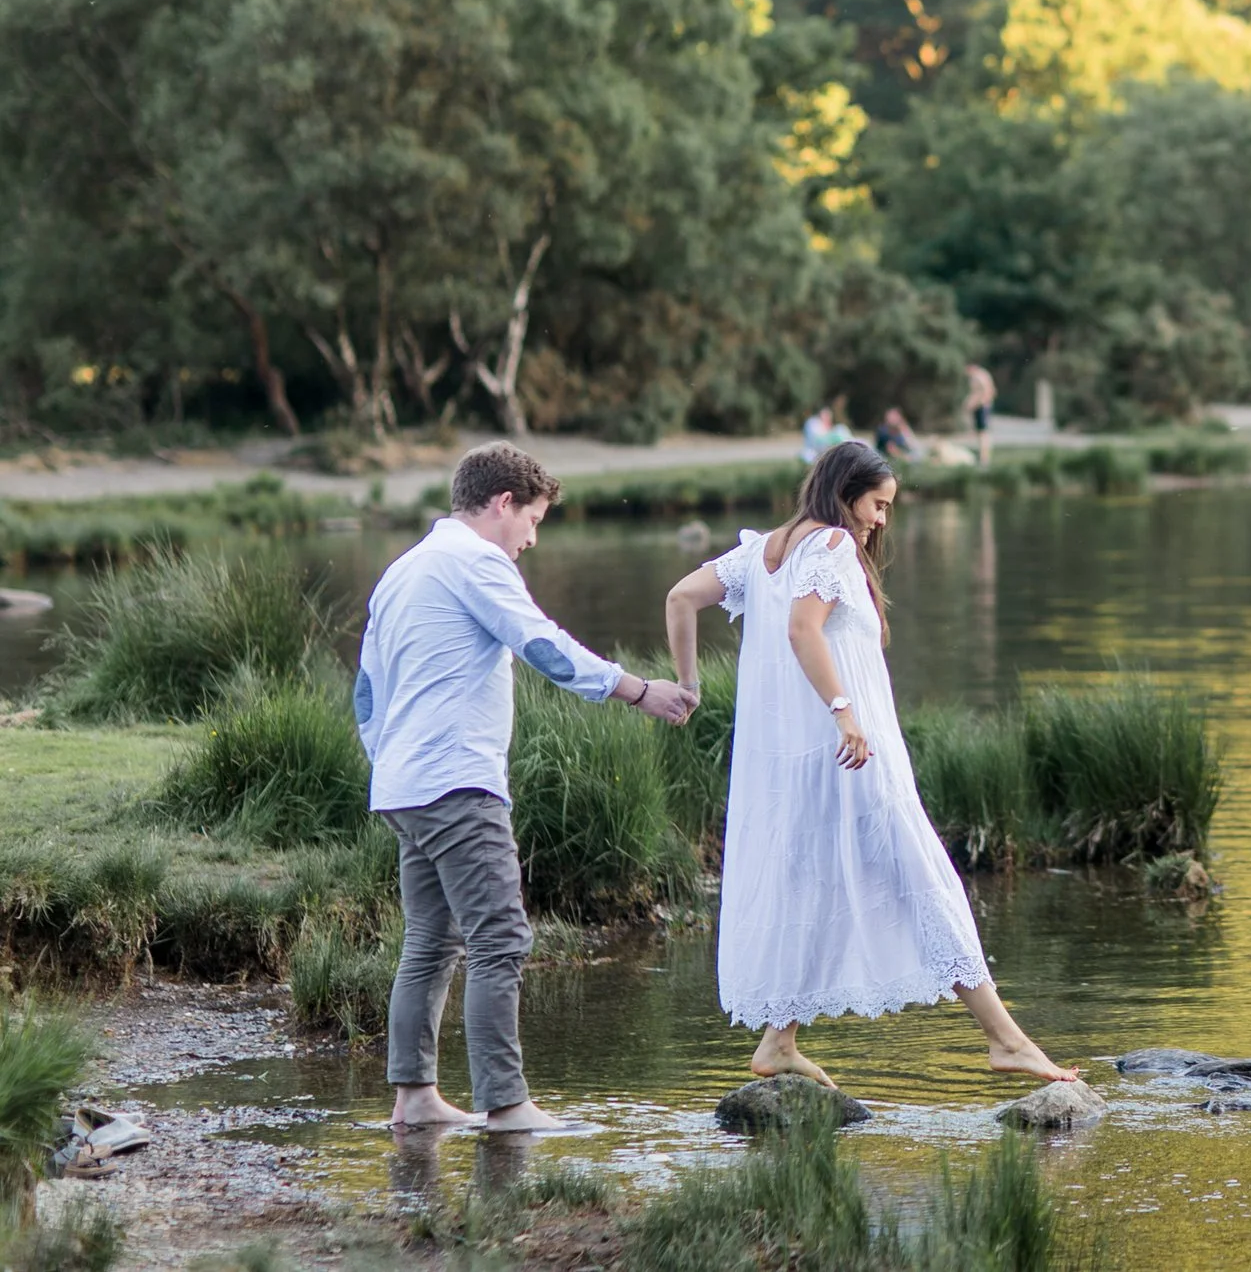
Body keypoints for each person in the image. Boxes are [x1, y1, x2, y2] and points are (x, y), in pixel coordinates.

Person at [662, 441, 1077, 1090]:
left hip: (793, 763)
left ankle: (779, 1039)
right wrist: (844, 712)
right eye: (878, 504)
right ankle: (1006, 1039)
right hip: (849, 752)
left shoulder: (763, 550)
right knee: (921, 871)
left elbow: (680, 597)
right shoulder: (827, 545)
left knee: (816, 881)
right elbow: (804, 629)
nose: (881, 519)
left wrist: (689, 686)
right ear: (844, 490)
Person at [357, 442, 698, 1131]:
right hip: (457, 781)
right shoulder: (476, 560)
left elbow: (367, 689)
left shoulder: (404, 567)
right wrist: (637, 689)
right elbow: (541, 644)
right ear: (503, 503)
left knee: (431, 937)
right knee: (501, 937)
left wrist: (388, 761)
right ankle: (506, 1104)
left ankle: (415, 1099)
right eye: (534, 520)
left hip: (402, 784)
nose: (532, 539)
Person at [961, 364, 998, 467]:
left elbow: (988, 391)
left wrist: (976, 403)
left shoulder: (979, 376)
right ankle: (982, 456)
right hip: (980, 406)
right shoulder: (978, 376)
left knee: (983, 433)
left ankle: (984, 458)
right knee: (980, 433)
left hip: (982, 406)